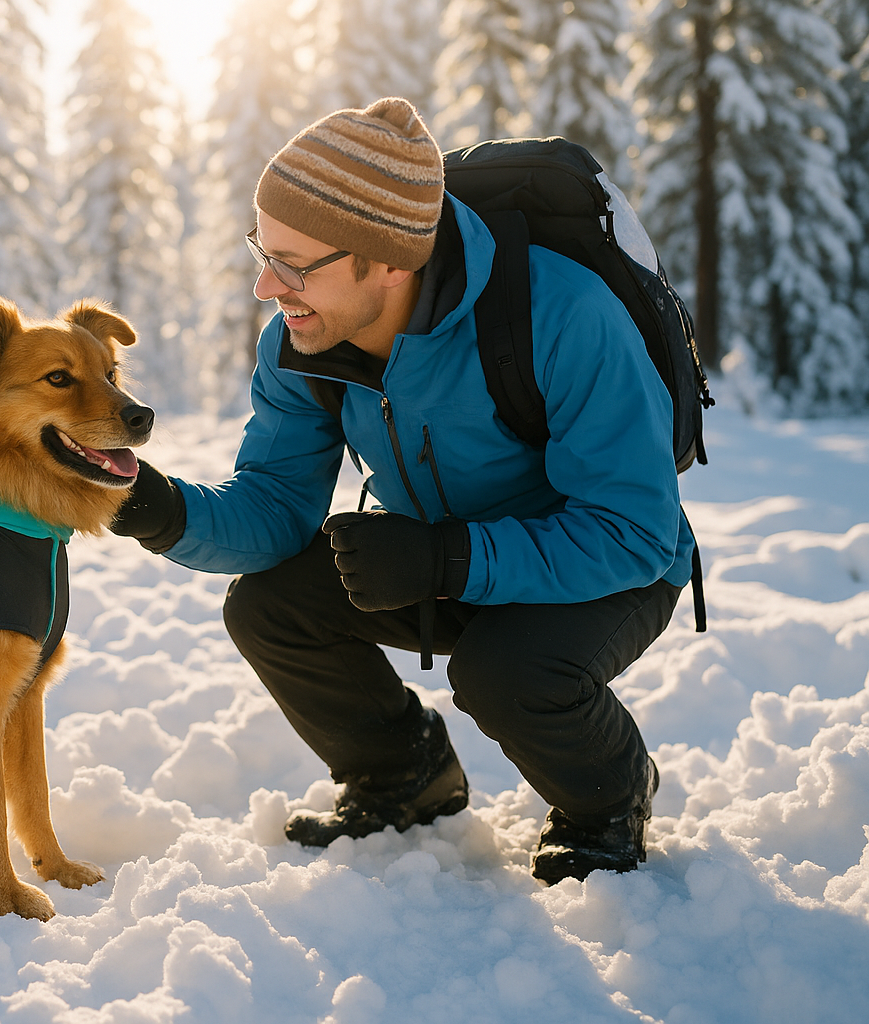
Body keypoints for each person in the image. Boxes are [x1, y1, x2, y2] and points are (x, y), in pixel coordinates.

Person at [110, 98, 693, 884]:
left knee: (505, 671)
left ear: (389, 259)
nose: (264, 284)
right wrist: (161, 507)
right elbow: (278, 506)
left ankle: (609, 801)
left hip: (606, 565)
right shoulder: (301, 341)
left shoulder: (562, 316)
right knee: (271, 605)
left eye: (294, 262)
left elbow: (634, 531)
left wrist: (449, 559)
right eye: (262, 250)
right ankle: (404, 776)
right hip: (431, 556)